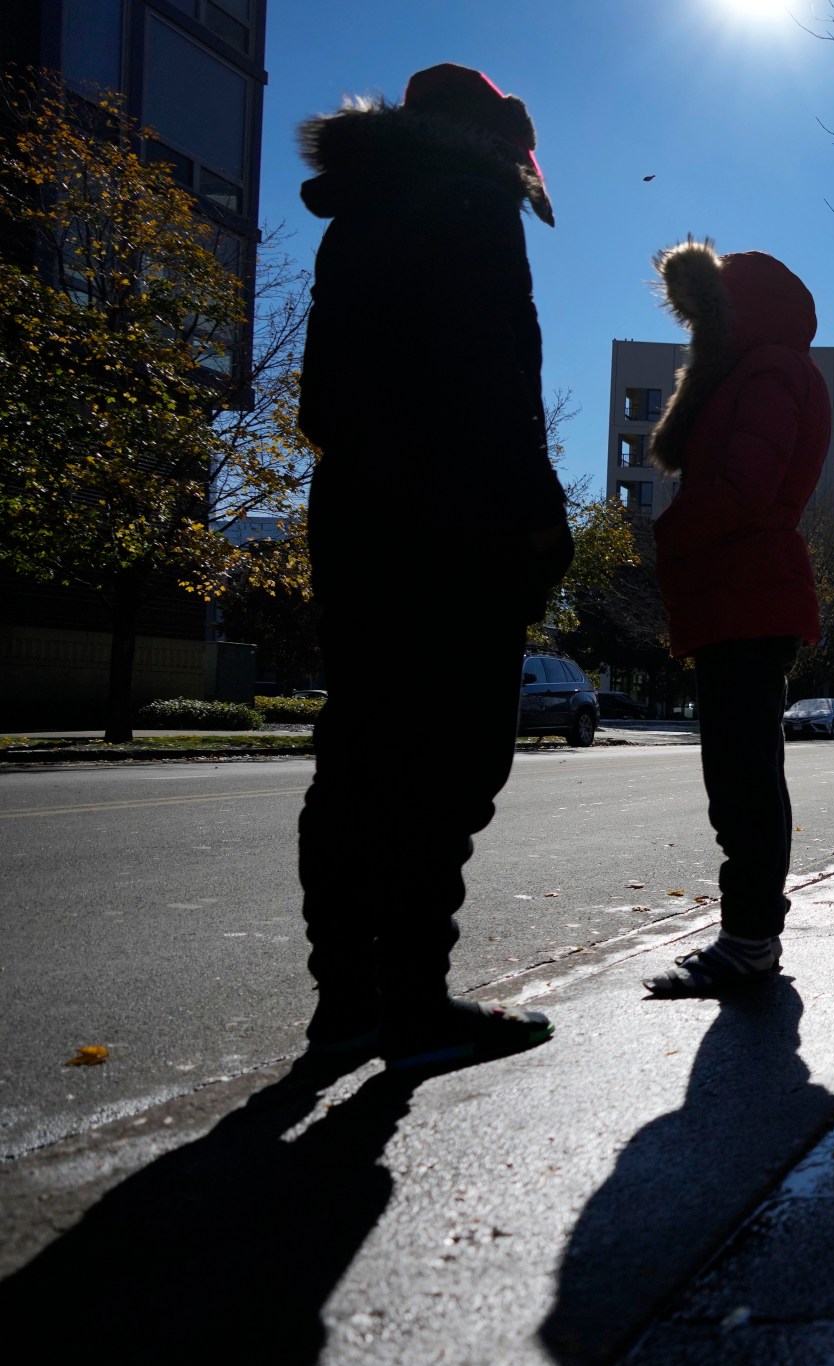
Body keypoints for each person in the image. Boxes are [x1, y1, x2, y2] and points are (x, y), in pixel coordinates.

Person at [293, 65, 566, 1067]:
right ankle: (412, 999)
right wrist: (535, 520)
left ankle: (348, 1001)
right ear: (493, 136)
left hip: (359, 515)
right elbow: (496, 380)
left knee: (359, 757)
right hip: (458, 527)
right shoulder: (472, 205)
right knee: (452, 762)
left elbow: (322, 398)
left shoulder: (356, 216)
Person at [638, 240, 828, 996]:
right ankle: (748, 936)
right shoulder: (761, 370)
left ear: (732, 311)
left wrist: (672, 536)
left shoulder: (769, 370)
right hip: (740, 593)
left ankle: (749, 940)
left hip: (748, 591)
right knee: (742, 774)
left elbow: (747, 486)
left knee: (744, 778)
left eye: (707, 315)